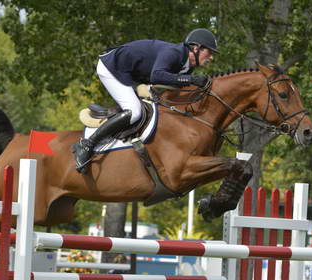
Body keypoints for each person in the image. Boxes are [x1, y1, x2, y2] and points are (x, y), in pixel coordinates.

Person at [73, 28, 219, 173]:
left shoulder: (187, 66)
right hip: (112, 67)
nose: (211, 57)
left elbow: (170, 86)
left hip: (133, 75)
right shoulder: (174, 53)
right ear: (196, 48)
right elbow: (157, 76)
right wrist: (191, 79)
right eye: (209, 52)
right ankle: (87, 145)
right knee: (135, 111)